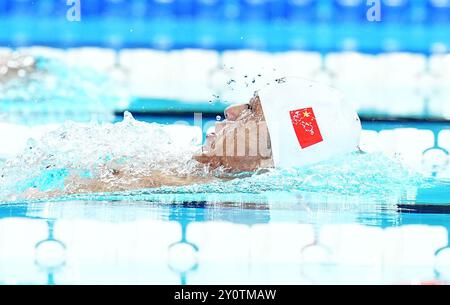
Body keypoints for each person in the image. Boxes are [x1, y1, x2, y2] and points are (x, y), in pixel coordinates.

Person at [17, 77, 361, 198]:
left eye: (253, 111)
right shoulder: (198, 173)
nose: (231, 108)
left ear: (272, 156)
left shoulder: (168, 183)